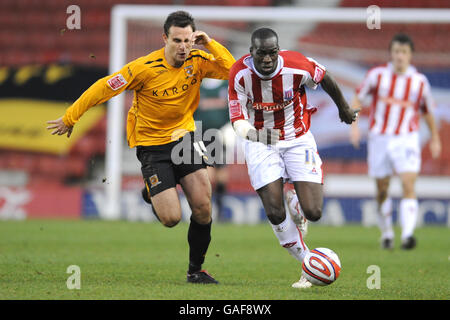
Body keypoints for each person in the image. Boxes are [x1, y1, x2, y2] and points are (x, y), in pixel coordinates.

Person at [46, 11, 235, 284]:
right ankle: (150, 190)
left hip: (185, 139)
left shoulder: (199, 60)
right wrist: (70, 117)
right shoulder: (143, 68)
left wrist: (210, 43)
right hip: (152, 147)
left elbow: (232, 70)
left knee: (204, 207)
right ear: (165, 38)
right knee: (171, 218)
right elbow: (103, 88)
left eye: (188, 40)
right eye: (177, 40)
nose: (183, 46)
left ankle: (196, 270)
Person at [228, 27, 358, 288]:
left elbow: (325, 77)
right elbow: (237, 120)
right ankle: (308, 264)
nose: (267, 59)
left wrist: (343, 107)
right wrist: (259, 136)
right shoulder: (239, 74)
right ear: (251, 52)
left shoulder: (297, 65)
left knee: (315, 211)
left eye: (272, 53)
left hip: (298, 139)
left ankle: (298, 205)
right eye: (261, 53)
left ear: (278, 51)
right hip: (260, 142)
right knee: (275, 211)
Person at [350, 33, 441, 250]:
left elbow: (427, 112)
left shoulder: (419, 82)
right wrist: (353, 126)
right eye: (396, 51)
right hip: (379, 139)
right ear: (391, 53)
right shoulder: (377, 75)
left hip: (406, 139)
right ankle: (388, 233)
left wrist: (435, 138)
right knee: (382, 189)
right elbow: (357, 98)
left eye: (404, 52)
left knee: (408, 184)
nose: (399, 56)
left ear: (410, 55)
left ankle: (408, 235)